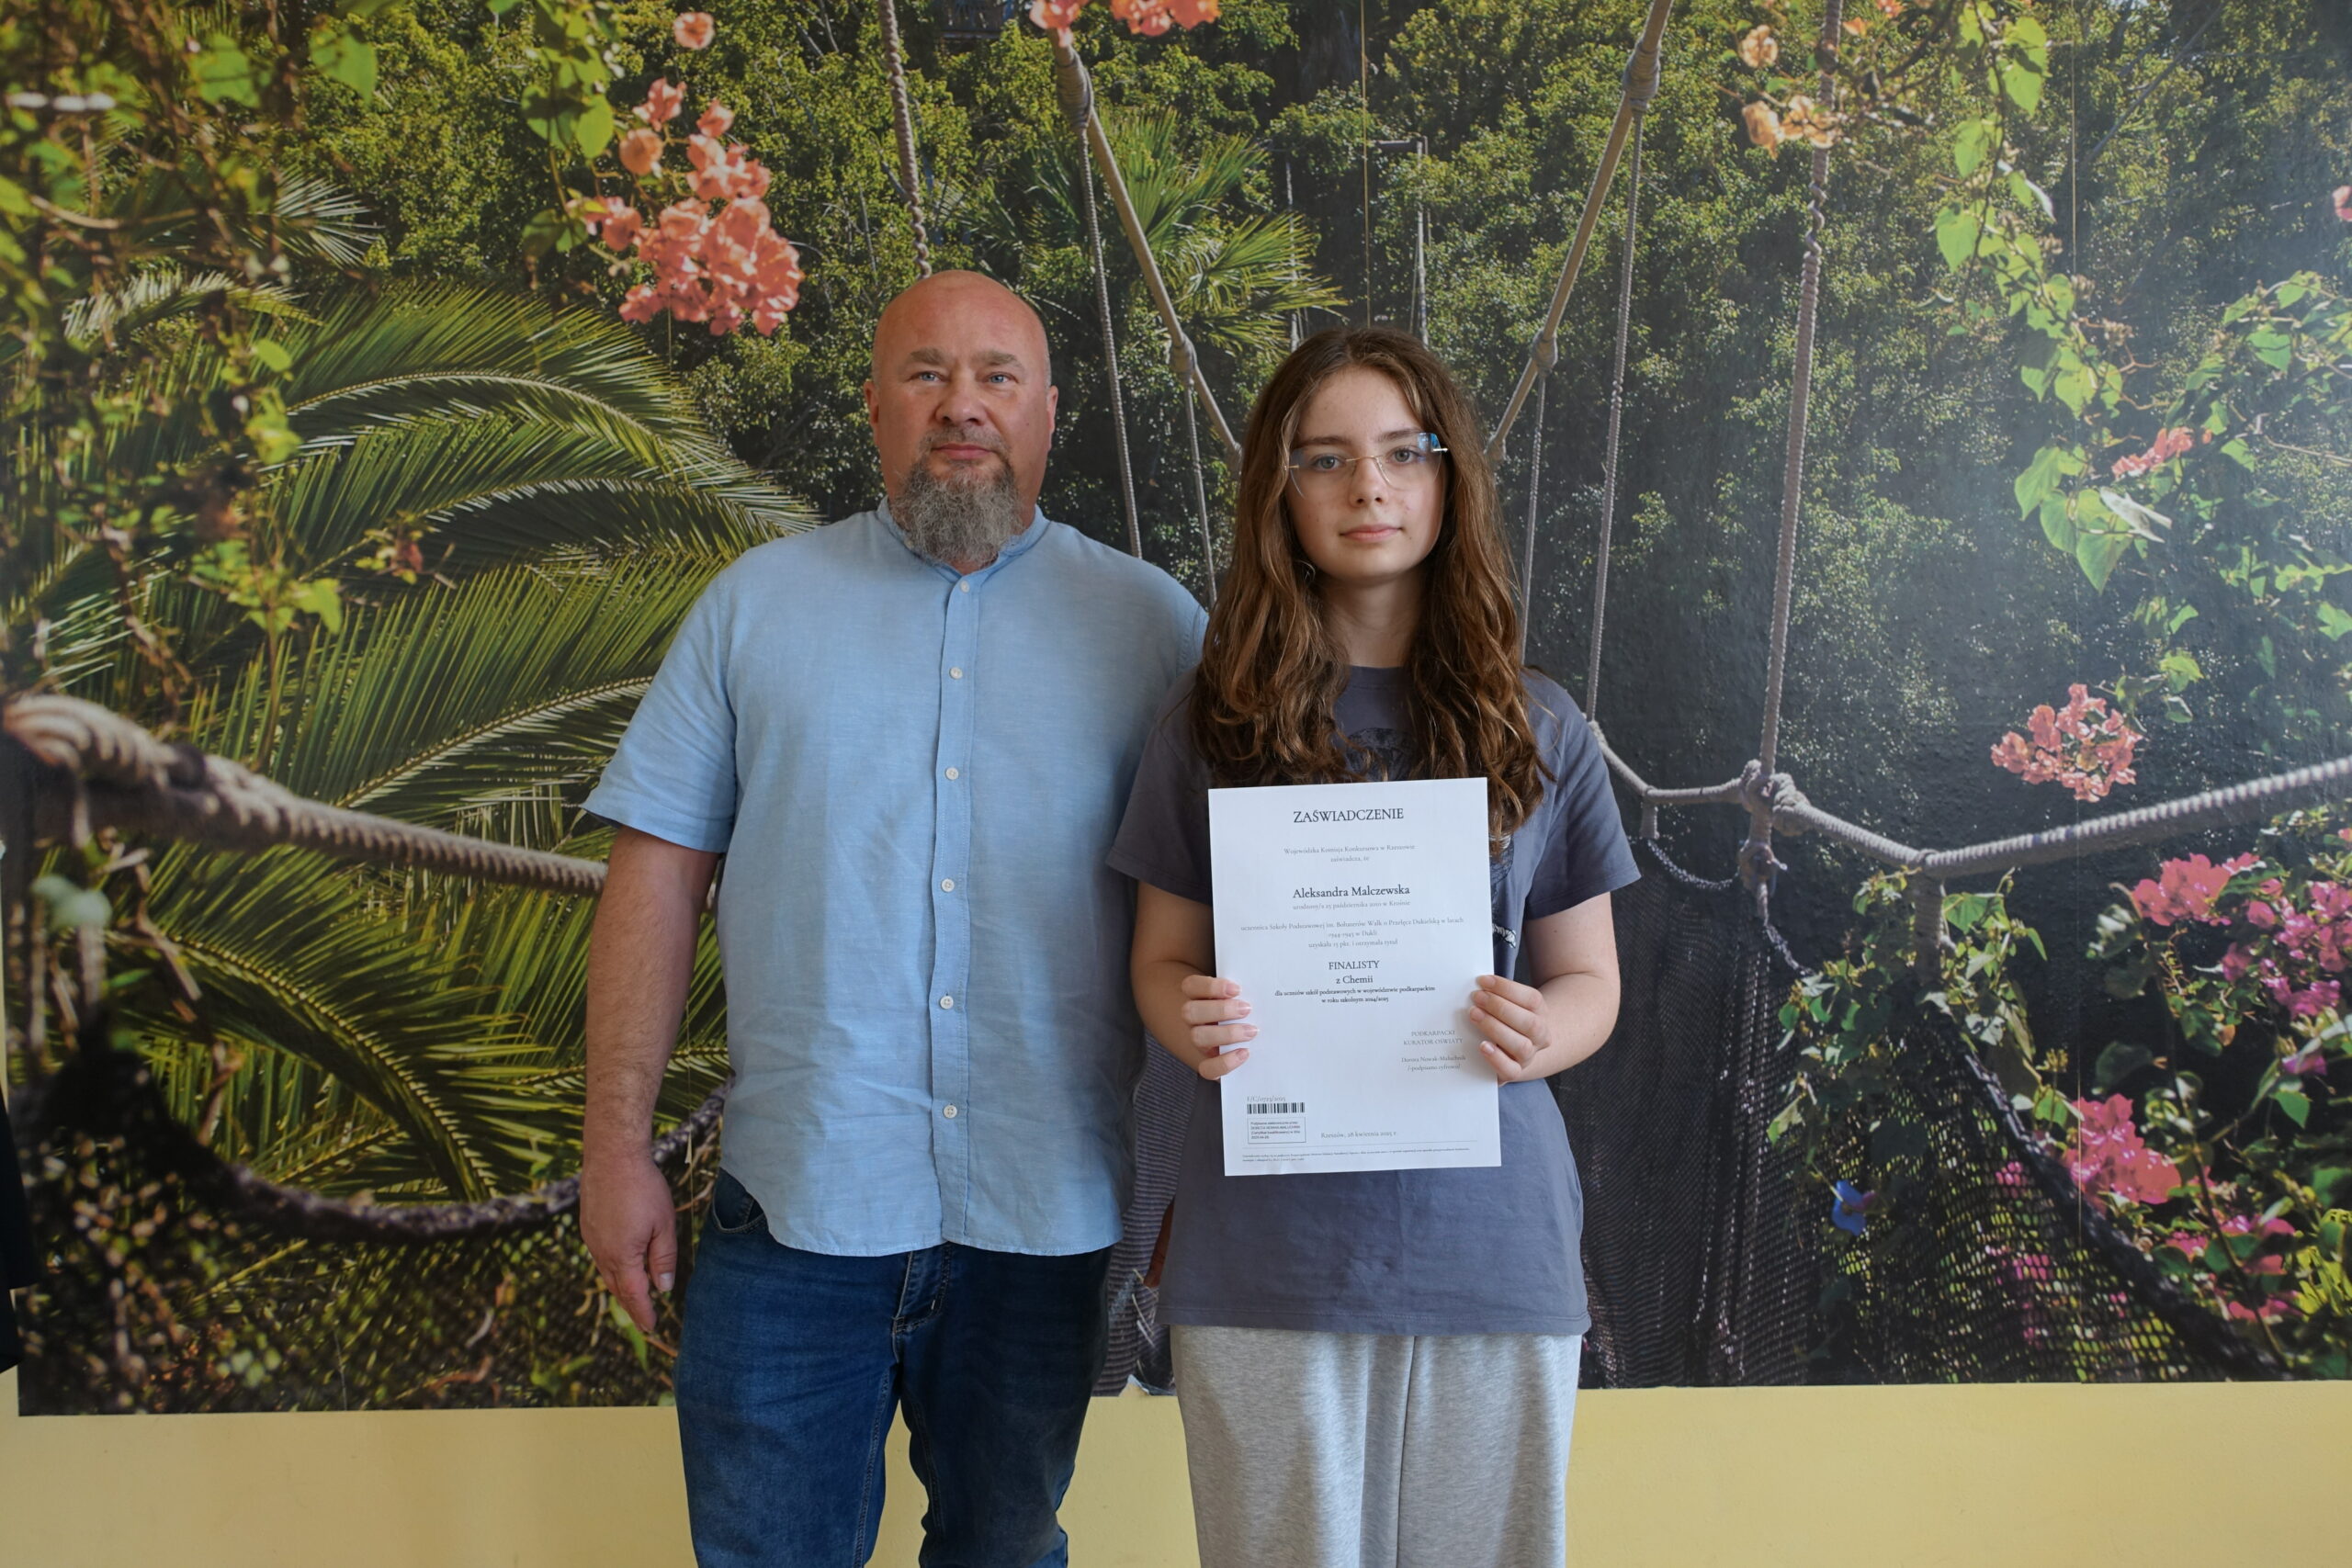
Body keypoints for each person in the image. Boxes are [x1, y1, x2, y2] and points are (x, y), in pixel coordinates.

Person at [578, 269, 1206, 1568]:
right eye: (927, 374)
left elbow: (1227, 913)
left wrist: (1216, 1184)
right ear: (874, 406)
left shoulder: (1157, 631)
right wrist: (614, 1149)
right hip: (797, 1209)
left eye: (997, 377)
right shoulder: (754, 608)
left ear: (1049, 414)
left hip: (1046, 1213)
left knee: (1005, 1555)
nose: (961, 405)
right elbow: (655, 878)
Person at [1111, 325, 1639, 1568]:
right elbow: (1158, 960)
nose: (1370, 487)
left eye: (1406, 453)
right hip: (1264, 1256)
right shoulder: (1209, 724)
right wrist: (1187, 1013)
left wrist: (1543, 1031)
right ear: (1279, 493)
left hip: (1492, 1247)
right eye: (1326, 458)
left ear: (1451, 480)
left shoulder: (1542, 725)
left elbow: (1591, 980)